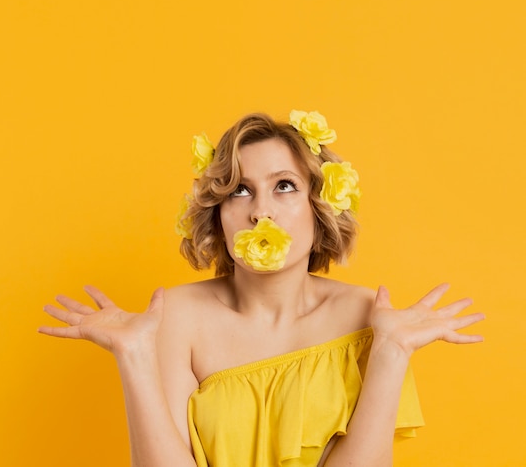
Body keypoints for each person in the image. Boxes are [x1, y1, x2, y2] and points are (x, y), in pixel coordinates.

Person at [39, 110, 484, 467]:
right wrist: (134, 356)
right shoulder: (174, 316)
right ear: (218, 212)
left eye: (284, 186)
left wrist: (392, 353)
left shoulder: (371, 317)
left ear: (319, 206)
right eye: (240, 191)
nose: (261, 212)